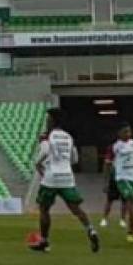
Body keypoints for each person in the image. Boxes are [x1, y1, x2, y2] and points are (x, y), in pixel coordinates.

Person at [30, 108, 100, 253]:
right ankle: (91, 230)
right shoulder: (68, 137)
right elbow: (74, 158)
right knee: (76, 208)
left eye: (48, 119)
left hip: (51, 177)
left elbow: (44, 152)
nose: (47, 122)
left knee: (44, 209)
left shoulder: (47, 137)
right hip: (67, 177)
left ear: (53, 121)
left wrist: (38, 163)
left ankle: (44, 241)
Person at [104, 123, 133, 242]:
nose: (128, 134)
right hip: (122, 177)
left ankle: (131, 231)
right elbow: (107, 163)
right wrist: (106, 180)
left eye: (129, 131)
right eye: (125, 132)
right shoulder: (114, 146)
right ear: (119, 133)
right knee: (130, 197)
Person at [99, 155, 128, 229]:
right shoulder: (113, 152)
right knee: (109, 200)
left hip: (124, 181)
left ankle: (123, 220)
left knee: (124, 201)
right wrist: (105, 182)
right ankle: (104, 219)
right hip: (113, 181)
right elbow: (106, 166)